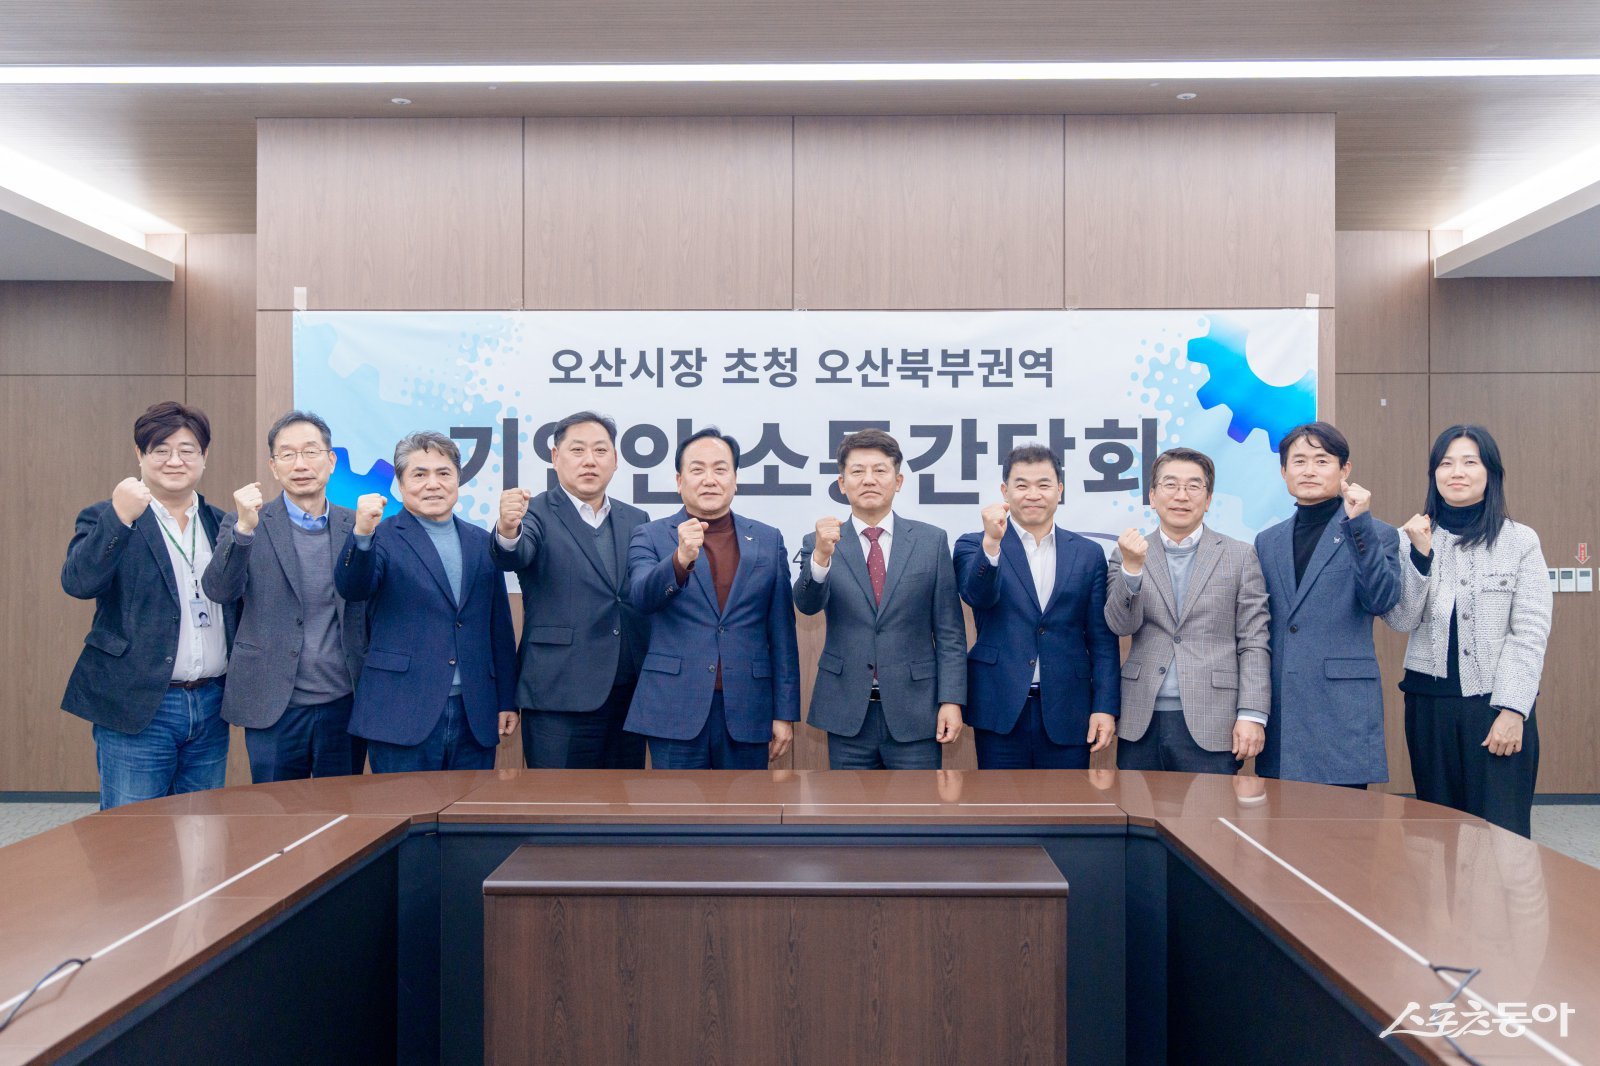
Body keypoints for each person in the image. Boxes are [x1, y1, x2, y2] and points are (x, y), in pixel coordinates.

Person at [62, 401, 237, 809]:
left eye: (187, 450)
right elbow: (78, 583)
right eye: (161, 450)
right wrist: (120, 517)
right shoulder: (107, 517)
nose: (175, 460)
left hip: (211, 703)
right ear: (139, 454)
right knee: (132, 832)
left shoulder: (221, 523)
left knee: (201, 829)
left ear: (205, 456)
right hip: (139, 703)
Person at [1385, 425, 1550, 837]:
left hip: (1495, 707)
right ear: (1434, 475)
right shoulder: (1410, 538)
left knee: (1501, 835)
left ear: (1490, 473)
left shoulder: (1520, 541)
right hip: (1429, 708)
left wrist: (1513, 710)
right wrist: (1420, 557)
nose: (1456, 472)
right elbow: (1401, 620)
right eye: (1446, 463)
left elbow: (1529, 633)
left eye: (1469, 462)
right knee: (1436, 837)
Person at [334, 431, 518, 772]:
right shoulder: (381, 537)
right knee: (404, 805)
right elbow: (353, 587)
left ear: (458, 480)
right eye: (419, 474)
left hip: (475, 712)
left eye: (443, 473)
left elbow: (499, 628)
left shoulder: (482, 542)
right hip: (400, 711)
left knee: (470, 807)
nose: (433, 484)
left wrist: (507, 698)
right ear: (401, 484)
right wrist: (361, 535)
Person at [202, 410, 368, 782]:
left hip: (344, 703)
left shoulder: (355, 526)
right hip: (272, 704)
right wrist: (244, 530)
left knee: (342, 810)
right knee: (274, 811)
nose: (300, 464)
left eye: (310, 452)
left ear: (331, 461)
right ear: (273, 467)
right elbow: (219, 590)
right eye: (287, 454)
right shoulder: (246, 523)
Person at [625, 428, 800, 769]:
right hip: (673, 707)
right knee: (676, 804)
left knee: (746, 804)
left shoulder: (768, 539)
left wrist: (784, 712)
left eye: (720, 469)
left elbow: (782, 632)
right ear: (679, 481)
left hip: (748, 708)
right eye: (697, 469)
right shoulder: (650, 535)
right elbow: (642, 598)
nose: (709, 479)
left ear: (735, 480)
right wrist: (679, 560)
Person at [793, 429, 965, 769]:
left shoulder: (930, 542)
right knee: (848, 804)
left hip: (917, 709)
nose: (869, 479)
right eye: (857, 471)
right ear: (842, 484)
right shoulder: (820, 541)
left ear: (898, 481)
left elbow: (950, 633)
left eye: (880, 470)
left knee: (919, 803)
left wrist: (951, 700)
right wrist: (822, 557)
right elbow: (807, 605)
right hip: (847, 708)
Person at [492, 411, 650, 769]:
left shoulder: (636, 519)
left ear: (615, 459)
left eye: (600, 450)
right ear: (555, 456)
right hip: (557, 694)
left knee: (622, 798)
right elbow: (514, 553)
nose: (589, 460)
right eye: (577, 450)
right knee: (556, 800)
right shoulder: (534, 513)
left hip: (626, 693)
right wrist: (507, 528)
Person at [953, 444, 1120, 769]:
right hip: (999, 707)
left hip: (1069, 709)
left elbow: (1102, 639)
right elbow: (977, 596)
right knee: (999, 799)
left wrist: (1105, 706)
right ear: (1005, 491)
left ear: (1059, 490)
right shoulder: (974, 544)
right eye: (1022, 485)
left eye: (1043, 485)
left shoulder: (1087, 553)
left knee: (1067, 801)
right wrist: (992, 543)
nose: (1033, 494)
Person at [1104, 447, 1270, 774]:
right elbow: (1120, 625)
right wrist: (1132, 570)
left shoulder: (1240, 556)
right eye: (1170, 485)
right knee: (1136, 807)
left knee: (1211, 808)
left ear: (1208, 499)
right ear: (1152, 496)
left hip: (1214, 718)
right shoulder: (1127, 553)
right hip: (1141, 717)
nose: (1182, 495)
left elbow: (1254, 640)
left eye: (1194, 486)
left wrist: (1252, 714)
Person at [1253, 422, 1400, 788]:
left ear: (1344, 469)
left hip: (1341, 710)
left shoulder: (1375, 533)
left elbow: (1381, 600)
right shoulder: (1267, 541)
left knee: (1342, 821)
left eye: (1321, 461)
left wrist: (1359, 523)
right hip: (1283, 709)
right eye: (1299, 461)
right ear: (1283, 471)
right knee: (1278, 818)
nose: (1309, 470)